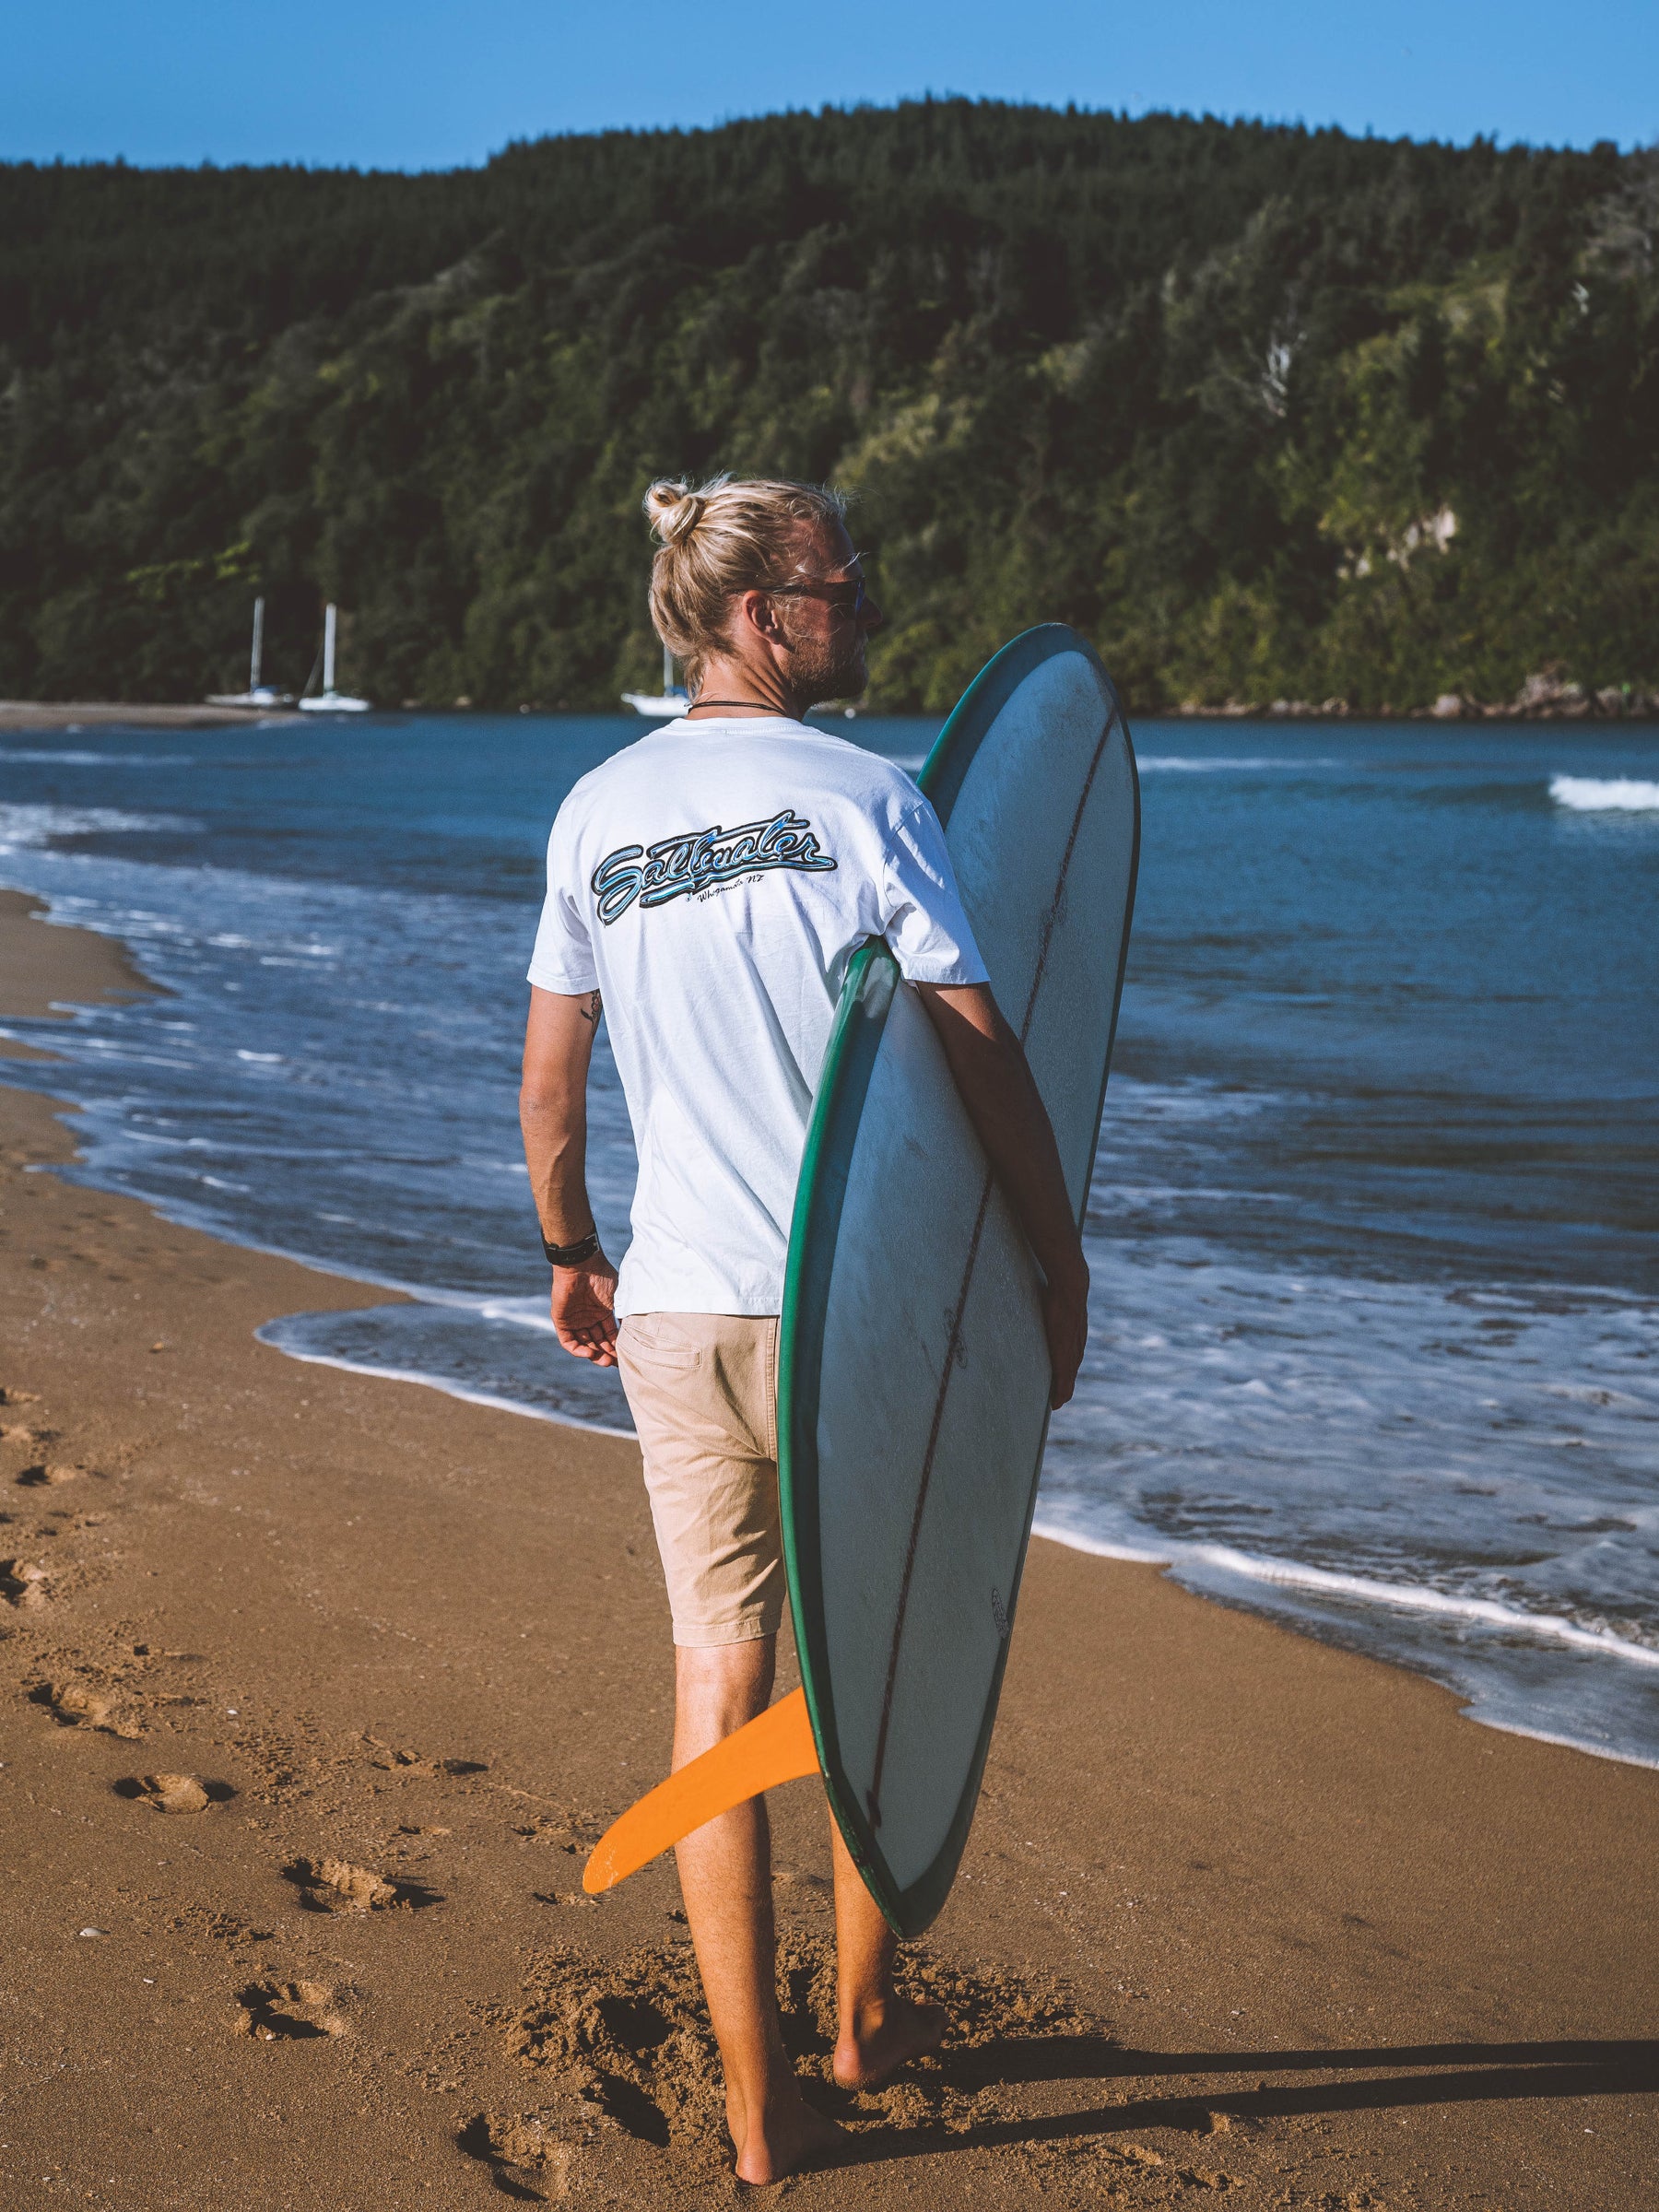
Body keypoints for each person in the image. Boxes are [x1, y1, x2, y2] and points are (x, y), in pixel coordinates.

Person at [519, 474, 1089, 2183]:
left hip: (683, 1309)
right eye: (846, 582)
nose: (870, 603)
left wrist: (571, 1248)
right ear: (765, 617)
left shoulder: (594, 815)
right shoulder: (865, 801)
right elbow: (981, 1058)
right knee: (879, 1663)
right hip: (862, 1310)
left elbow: (551, 1091)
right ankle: (860, 2018)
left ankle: (762, 2118)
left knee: (722, 1683)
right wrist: (1054, 1265)